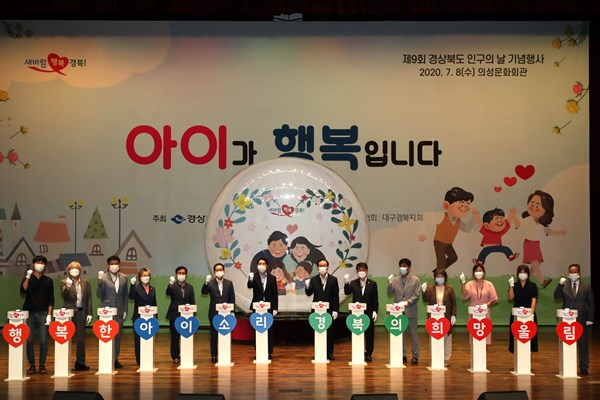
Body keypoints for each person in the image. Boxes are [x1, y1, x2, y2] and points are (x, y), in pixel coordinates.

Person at [513, 190, 566, 288]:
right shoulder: (528, 219)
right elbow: (518, 225)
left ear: (545, 209)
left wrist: (560, 232)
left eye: (538, 205)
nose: (534, 207)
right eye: (532, 203)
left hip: (536, 244)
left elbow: (548, 232)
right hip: (529, 243)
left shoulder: (541, 223)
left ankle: (525, 278)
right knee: (534, 263)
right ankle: (542, 281)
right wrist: (513, 216)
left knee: (538, 262)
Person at [554, 264, 595, 375]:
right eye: (571, 272)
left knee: (583, 344)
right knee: (567, 344)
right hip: (567, 320)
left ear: (579, 273)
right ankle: (567, 365)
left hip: (582, 319)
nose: (573, 274)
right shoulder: (564, 285)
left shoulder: (586, 287)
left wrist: (590, 318)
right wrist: (559, 285)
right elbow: (556, 297)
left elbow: (591, 303)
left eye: (575, 272)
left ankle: (584, 367)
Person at [20, 255, 54, 374]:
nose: (40, 265)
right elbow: (23, 290)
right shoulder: (28, 278)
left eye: (42, 263)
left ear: (45, 266)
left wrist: (49, 315)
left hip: (43, 313)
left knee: (43, 341)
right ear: (33, 264)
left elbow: (51, 299)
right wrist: (28, 277)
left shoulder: (48, 281)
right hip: (29, 313)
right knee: (29, 340)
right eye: (38, 262)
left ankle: (42, 364)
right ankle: (32, 365)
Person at [429, 187, 475, 271]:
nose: (464, 208)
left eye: (467, 205)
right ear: (447, 205)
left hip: (448, 244)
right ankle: (439, 274)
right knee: (441, 262)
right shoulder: (442, 216)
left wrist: (474, 217)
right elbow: (429, 223)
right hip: (439, 243)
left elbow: (466, 228)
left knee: (453, 257)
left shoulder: (458, 220)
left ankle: (437, 271)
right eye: (462, 205)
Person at [97, 255, 129, 369]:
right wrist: (100, 281)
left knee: (117, 335)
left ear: (119, 265)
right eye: (112, 264)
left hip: (119, 309)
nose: (114, 266)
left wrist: (125, 310)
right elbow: (99, 293)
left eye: (116, 263)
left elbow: (125, 295)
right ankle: (106, 357)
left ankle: (115, 358)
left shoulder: (124, 277)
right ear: (108, 265)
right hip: (107, 310)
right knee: (106, 334)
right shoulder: (103, 277)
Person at [387, 258, 421, 365]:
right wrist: (390, 283)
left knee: (413, 335)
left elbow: (417, 294)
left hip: (411, 310)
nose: (402, 268)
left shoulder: (416, 280)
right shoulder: (395, 279)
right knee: (400, 334)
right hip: (398, 312)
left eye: (404, 266)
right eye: (401, 266)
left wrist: (407, 302)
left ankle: (415, 356)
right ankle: (403, 354)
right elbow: (389, 293)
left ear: (409, 268)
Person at [60, 261, 92, 371]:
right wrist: (68, 286)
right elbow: (64, 295)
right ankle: (64, 362)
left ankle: (80, 362)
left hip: (81, 312)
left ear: (80, 270)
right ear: (68, 270)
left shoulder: (85, 282)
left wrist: (89, 313)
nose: (74, 270)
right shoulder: (64, 282)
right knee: (65, 337)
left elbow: (89, 298)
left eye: (77, 268)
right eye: (72, 268)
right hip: (68, 313)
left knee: (81, 339)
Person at [305, 258, 340, 361]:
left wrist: (335, 310)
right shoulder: (313, 279)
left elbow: (336, 296)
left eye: (324, 265)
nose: (322, 267)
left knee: (329, 332)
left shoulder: (333, 279)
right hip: (317, 311)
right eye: (320, 266)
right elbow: (309, 293)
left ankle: (329, 353)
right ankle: (318, 352)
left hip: (329, 310)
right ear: (317, 267)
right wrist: (307, 286)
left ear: (327, 267)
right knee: (318, 332)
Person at [344, 262, 379, 362]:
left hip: (369, 312)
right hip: (356, 313)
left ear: (367, 271)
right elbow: (347, 292)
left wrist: (375, 311)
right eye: (360, 270)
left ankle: (368, 353)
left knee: (369, 334)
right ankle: (357, 352)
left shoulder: (372, 284)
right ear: (357, 271)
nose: (361, 272)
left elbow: (375, 299)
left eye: (363, 270)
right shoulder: (353, 283)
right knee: (357, 333)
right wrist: (346, 283)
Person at [422, 269, 457, 367]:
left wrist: (453, 315)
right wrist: (424, 291)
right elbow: (425, 299)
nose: (439, 278)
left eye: (441, 276)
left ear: (445, 278)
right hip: (434, 318)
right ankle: (434, 357)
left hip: (446, 316)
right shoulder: (430, 288)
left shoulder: (450, 289)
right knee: (434, 338)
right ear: (435, 278)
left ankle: (446, 358)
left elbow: (454, 303)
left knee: (447, 339)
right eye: (437, 276)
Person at [201, 263, 235, 363]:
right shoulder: (210, 283)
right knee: (213, 335)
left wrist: (232, 311)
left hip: (226, 313)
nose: (219, 271)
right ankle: (214, 355)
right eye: (217, 270)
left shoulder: (229, 283)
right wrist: (206, 283)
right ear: (214, 272)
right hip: (214, 312)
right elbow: (204, 292)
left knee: (225, 334)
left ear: (224, 271)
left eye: (221, 270)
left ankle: (225, 353)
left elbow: (232, 297)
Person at [248, 257, 279, 359]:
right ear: (257, 266)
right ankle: (258, 351)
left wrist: (275, 308)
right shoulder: (254, 276)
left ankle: (269, 352)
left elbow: (275, 294)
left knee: (269, 329)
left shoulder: (272, 278)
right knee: (257, 329)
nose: (261, 265)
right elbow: (249, 286)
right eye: (259, 264)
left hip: (269, 307)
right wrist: (250, 279)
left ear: (267, 266)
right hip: (257, 307)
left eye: (263, 263)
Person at [460, 263, 498, 345]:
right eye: (476, 271)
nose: (478, 272)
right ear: (473, 273)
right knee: (474, 334)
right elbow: (465, 295)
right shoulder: (470, 284)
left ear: (484, 272)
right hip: (473, 312)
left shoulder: (489, 284)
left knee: (485, 334)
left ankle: (484, 351)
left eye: (480, 270)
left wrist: (487, 304)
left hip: (485, 311)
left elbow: (494, 298)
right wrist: (462, 282)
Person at [166, 265, 196, 364]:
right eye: (179, 273)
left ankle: (186, 354)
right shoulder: (172, 285)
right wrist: (170, 284)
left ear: (186, 275)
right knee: (175, 337)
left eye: (183, 273)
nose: (181, 275)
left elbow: (192, 300)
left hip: (187, 315)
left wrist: (193, 312)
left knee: (186, 336)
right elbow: (168, 293)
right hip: (174, 314)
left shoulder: (190, 287)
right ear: (176, 274)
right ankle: (175, 356)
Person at [128, 267, 157, 366]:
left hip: (150, 318)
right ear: (140, 277)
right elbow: (131, 297)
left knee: (149, 338)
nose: (146, 277)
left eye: (147, 275)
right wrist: (132, 285)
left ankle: (148, 357)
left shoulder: (152, 289)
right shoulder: (136, 288)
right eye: (144, 275)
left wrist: (155, 317)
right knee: (138, 340)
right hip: (138, 317)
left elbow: (154, 303)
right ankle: (139, 359)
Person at [508, 264, 538, 353]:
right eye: (520, 272)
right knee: (516, 335)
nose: (522, 274)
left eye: (524, 272)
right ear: (517, 274)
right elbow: (510, 298)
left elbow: (534, 300)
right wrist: (511, 286)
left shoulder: (532, 285)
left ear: (528, 274)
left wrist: (531, 314)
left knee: (529, 336)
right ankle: (517, 356)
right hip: (516, 313)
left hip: (529, 312)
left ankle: (528, 356)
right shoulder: (515, 285)